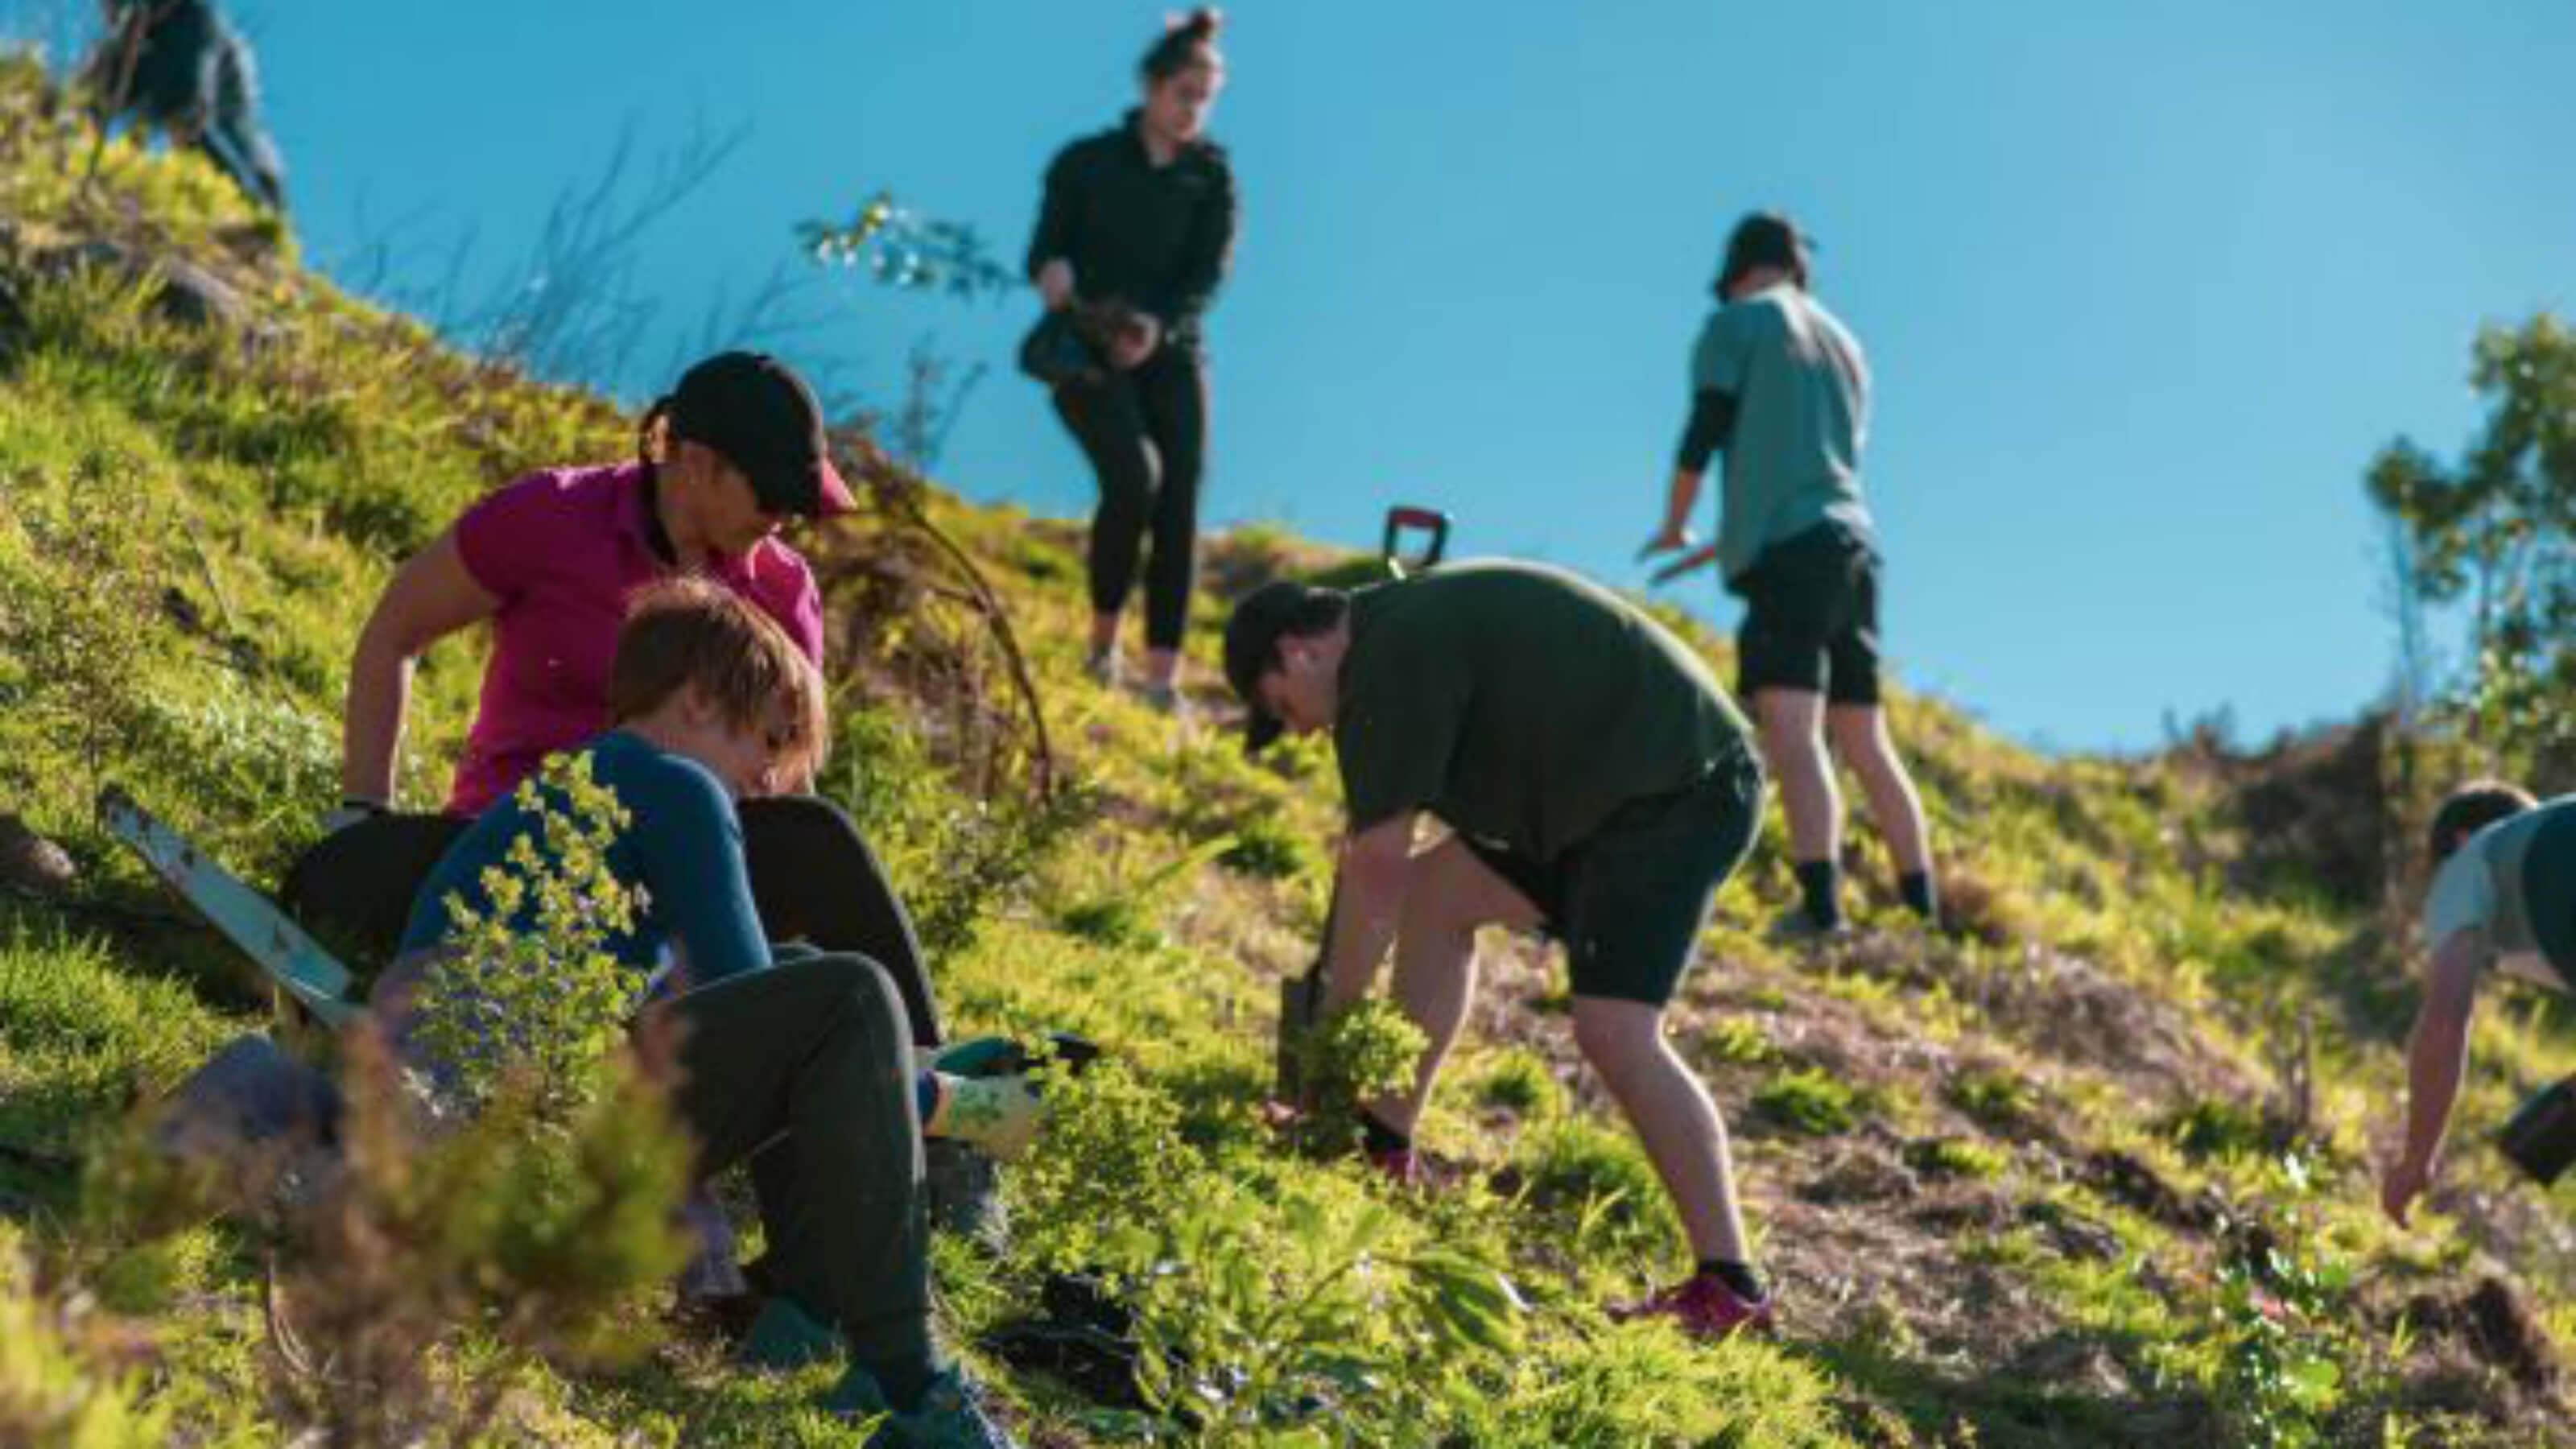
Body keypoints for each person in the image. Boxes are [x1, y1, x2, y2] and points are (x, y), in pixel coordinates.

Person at [387, 579, 1028, 1448]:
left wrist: (908, 1076)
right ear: (694, 698)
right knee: (846, 991)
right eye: (767, 739)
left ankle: (805, 1311)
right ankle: (908, 1379)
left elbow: (751, 1007)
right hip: (506, 1118)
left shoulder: (583, 787)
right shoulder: (675, 786)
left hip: (472, 1111)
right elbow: (778, 1015)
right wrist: (952, 1105)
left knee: (814, 980)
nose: (768, 780)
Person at [302, 350, 946, 1049]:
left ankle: (920, 1085)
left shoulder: (784, 592)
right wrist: (362, 811)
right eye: (771, 497)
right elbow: (396, 629)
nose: (786, 518)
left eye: (800, 501)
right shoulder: (551, 517)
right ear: (698, 462)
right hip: (515, 852)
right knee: (339, 877)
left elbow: (783, 770)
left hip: (688, 875)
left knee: (816, 834)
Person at [1223, 561, 1778, 1340]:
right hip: (1593, 793)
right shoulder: (1387, 631)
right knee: (1436, 899)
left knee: (1615, 1030)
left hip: (1676, 787)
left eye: (1285, 707)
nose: (1306, 731)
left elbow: (1373, 865)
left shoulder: (1386, 658)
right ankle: (1381, 1144)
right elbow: (1387, 878)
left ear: (1299, 651)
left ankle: (1731, 1286)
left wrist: (1330, 1045)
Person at [1640, 212, 1938, 940]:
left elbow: (1706, 427)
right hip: (1853, 545)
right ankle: (1923, 910)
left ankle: (1821, 909)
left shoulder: (1739, 323)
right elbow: (1816, 464)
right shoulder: (1844, 346)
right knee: (1866, 738)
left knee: (1792, 730)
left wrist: (1677, 522)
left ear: (1740, 272)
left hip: (1790, 555)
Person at [1025, 8, 1236, 712]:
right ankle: (1101, 646)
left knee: (1178, 499)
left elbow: (1207, 276)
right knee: (1132, 479)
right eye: (1184, 93)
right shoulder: (1084, 162)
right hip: (1087, 352)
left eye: (1205, 99)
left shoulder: (1212, 178)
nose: (1192, 110)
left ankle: (1161, 681)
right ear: (1152, 84)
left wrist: (1159, 325)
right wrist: (1052, 273)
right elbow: (1044, 251)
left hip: (1173, 352)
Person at [2381, 780, 2570, 1227]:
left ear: (2459, 839)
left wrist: (2416, 1159)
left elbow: (2445, 1019)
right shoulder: (2553, 831)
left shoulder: (2466, 863)